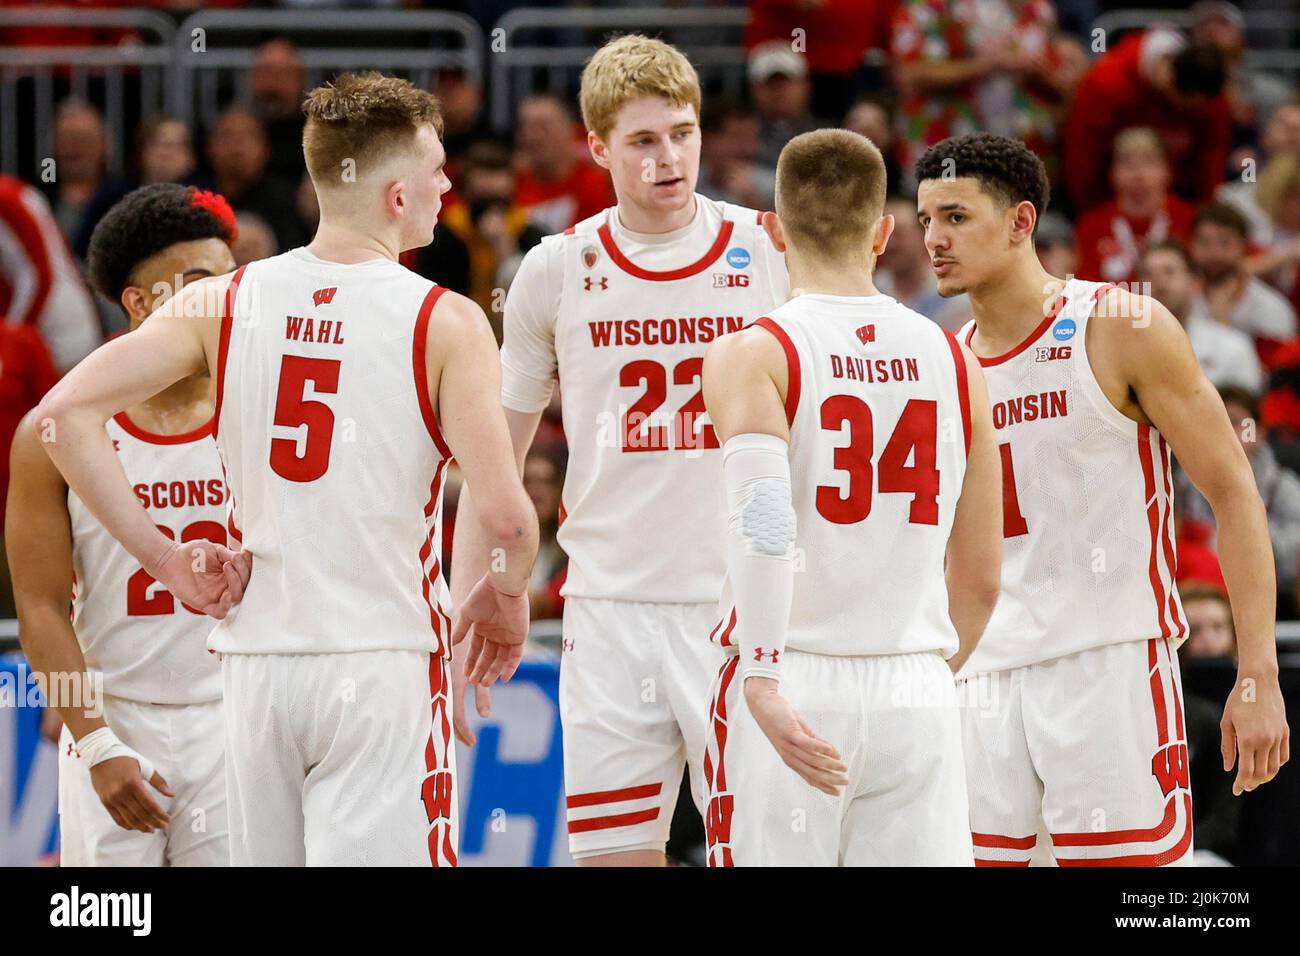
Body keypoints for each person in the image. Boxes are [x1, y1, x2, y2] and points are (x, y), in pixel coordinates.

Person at [33, 71, 538, 867]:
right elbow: (507, 518)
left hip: (255, 666)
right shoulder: (446, 318)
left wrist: (163, 558)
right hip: (379, 658)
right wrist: (506, 598)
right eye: (437, 166)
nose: (448, 182)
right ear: (398, 195)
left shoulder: (222, 301)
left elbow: (58, 417)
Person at [452, 34, 789, 867]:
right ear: (597, 148)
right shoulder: (557, 268)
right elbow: (496, 457)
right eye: (643, 140)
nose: (668, 157)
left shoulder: (772, 249)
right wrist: (479, 592)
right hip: (607, 612)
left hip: (741, 606)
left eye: (682, 132)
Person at [916, 133, 1289, 866]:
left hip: (1108, 662)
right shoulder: (940, 359)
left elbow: (1234, 493)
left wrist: (1258, 675)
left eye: (955, 217)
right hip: (981, 678)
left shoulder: (1121, 324)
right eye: (926, 219)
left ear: (1022, 223)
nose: (934, 239)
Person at [698, 128, 1002, 866]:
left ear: (770, 230)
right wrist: (921, 675)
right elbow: (984, 576)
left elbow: (765, 523)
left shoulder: (756, 351)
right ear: (885, 231)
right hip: (919, 683)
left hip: (794, 669)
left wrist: (764, 680)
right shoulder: (956, 358)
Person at [8, 183, 239, 865]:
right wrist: (96, 741)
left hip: (237, 715)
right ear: (140, 303)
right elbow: (42, 605)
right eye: (200, 282)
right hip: (116, 717)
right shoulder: (53, 430)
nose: (224, 299)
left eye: (232, 280)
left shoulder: (267, 414)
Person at [0, 174, 102, 371]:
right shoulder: (14, 191)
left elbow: (38, 277)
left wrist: (9, 339)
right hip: (48, 331)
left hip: (60, 337)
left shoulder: (6, 199)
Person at [1073, 128, 1195, 285]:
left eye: (1148, 161)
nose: (1138, 173)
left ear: (1167, 171)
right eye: (1127, 163)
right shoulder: (1090, 226)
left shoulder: (1189, 220)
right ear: (1112, 174)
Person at [1140, 239, 1262, 393]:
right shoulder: (1121, 346)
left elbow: (1246, 411)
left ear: (1194, 283)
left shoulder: (1234, 347)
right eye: (1147, 274)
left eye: (1169, 271)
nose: (1158, 281)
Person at [1189, 201, 1297, 352]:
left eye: (1225, 243)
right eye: (1205, 243)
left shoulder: (1272, 309)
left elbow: (1280, 370)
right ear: (1192, 247)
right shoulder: (1179, 302)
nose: (1215, 253)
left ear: (1243, 247)